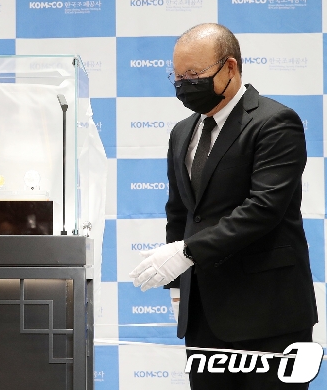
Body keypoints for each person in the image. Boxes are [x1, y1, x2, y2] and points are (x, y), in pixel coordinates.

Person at [129, 23, 318, 389]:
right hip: (203, 316)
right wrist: (178, 285)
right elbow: (181, 212)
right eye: (177, 76)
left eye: (194, 75)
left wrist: (186, 252)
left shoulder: (275, 122)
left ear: (230, 67)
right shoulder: (182, 132)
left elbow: (263, 208)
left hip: (269, 314)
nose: (183, 85)